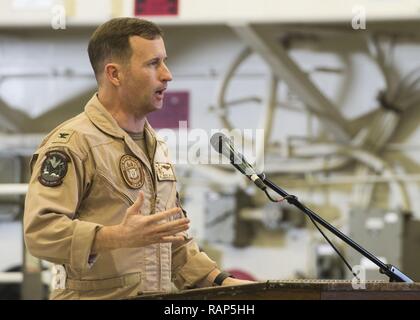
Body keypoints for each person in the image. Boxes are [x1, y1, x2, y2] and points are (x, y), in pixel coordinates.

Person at [23, 17, 250, 300]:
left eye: (164, 62)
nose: (167, 75)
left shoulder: (156, 147)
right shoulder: (73, 144)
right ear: (115, 74)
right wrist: (115, 237)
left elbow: (170, 241)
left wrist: (224, 283)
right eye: (153, 64)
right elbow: (41, 233)